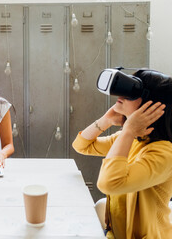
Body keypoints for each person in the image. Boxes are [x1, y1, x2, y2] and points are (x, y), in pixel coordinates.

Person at [72, 69, 172, 238]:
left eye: (132, 92)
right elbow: (82, 145)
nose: (121, 95)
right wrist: (106, 120)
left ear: (151, 106)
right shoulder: (135, 139)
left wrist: (128, 131)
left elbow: (108, 183)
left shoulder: (163, 153)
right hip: (116, 233)